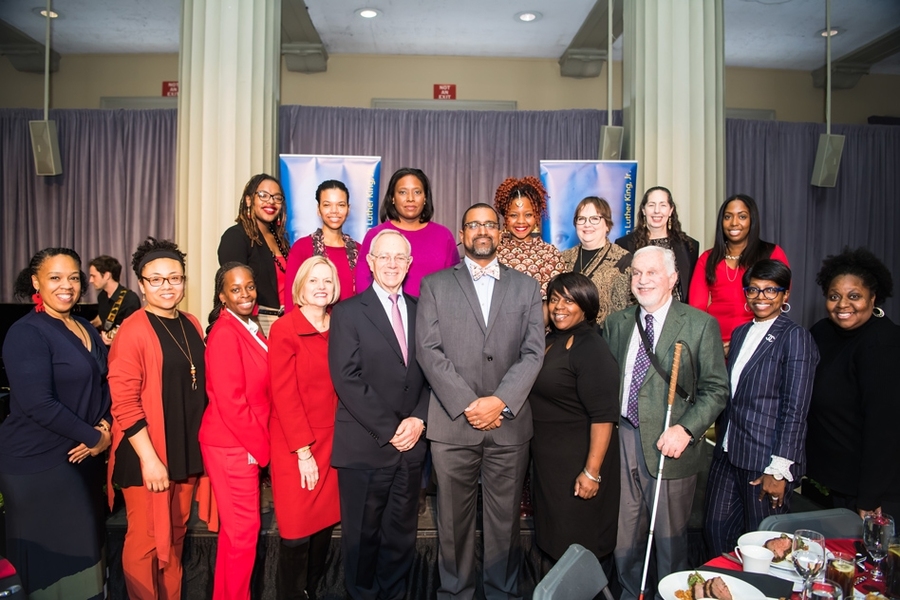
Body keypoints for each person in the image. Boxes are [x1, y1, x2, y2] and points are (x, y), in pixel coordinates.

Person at [416, 203, 545, 600]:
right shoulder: (435, 285)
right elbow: (428, 350)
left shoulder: (526, 286)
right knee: (452, 524)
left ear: (500, 233)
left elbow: (533, 352)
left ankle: (502, 593)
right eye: (474, 225)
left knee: (505, 523)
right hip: (453, 424)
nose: (483, 231)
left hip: (509, 425)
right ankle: (455, 593)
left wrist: (500, 401)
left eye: (490, 224)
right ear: (462, 234)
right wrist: (469, 404)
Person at [604, 246, 729, 600]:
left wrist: (687, 429)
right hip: (622, 441)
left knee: (670, 542)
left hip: (670, 446)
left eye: (652, 273)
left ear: (672, 279)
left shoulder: (699, 324)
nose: (642, 280)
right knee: (624, 539)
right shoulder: (616, 323)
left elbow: (716, 389)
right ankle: (632, 593)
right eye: (636, 273)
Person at [107, 237, 216, 600]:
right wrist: (150, 460)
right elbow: (123, 403)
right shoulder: (133, 330)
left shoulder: (191, 322)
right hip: (148, 452)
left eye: (174, 278)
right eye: (156, 279)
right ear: (141, 284)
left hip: (182, 449)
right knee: (147, 540)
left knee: (177, 533)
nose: (167, 286)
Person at [0, 248, 111, 600]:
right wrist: (93, 437)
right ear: (36, 282)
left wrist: (105, 427)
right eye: (55, 278)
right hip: (37, 464)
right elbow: (38, 404)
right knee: (52, 570)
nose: (67, 285)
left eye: (74, 277)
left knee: (86, 559)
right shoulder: (26, 333)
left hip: (80, 458)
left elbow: (104, 385)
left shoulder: (85, 327)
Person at [329, 230, 430, 600]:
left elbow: (434, 373)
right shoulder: (348, 312)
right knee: (362, 537)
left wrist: (419, 419)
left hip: (412, 445)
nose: (391, 263)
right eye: (383, 256)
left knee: (401, 537)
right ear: (370, 262)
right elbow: (346, 378)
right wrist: (391, 429)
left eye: (399, 257)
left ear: (409, 264)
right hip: (366, 446)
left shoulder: (423, 310)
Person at [703, 259, 819, 557]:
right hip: (728, 452)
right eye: (753, 289)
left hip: (764, 460)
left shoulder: (795, 337)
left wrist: (779, 470)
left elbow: (796, 409)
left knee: (763, 546)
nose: (760, 297)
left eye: (770, 290)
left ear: (785, 294)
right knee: (715, 533)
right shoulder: (741, 333)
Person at [529, 272, 620, 578]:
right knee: (554, 543)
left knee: (577, 548)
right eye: (554, 299)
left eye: (569, 300)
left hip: (578, 467)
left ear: (586, 305)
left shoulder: (591, 348)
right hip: (550, 467)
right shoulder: (550, 339)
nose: (559, 307)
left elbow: (604, 417)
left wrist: (591, 472)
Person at [806, 247, 900, 519]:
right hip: (824, 481)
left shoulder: (884, 343)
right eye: (834, 296)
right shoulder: (822, 332)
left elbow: (885, 429)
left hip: (867, 492)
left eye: (854, 296)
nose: (843, 304)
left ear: (873, 297)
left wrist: (869, 497)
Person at [268, 256, 342, 599]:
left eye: (327, 280)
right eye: (313, 280)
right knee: (296, 532)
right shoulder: (285, 329)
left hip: (334, 442)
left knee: (324, 525)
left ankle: (310, 591)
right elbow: (283, 394)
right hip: (295, 443)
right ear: (300, 286)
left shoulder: (341, 325)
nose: (321, 287)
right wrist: (303, 451)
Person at [200, 263, 271, 600]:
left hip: (240, 442)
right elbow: (231, 403)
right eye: (236, 289)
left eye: (250, 286)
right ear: (222, 296)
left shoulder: (248, 325)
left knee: (235, 535)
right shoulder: (226, 332)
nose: (245, 294)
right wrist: (263, 450)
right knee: (243, 534)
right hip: (232, 445)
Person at [688, 193, 789, 353]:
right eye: (728, 217)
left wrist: (744, 343)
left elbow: (778, 300)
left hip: (759, 342)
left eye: (742, 216)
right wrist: (710, 344)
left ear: (752, 220)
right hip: (714, 343)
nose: (734, 223)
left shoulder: (772, 253)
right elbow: (697, 308)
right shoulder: (708, 258)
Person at [356, 167, 459, 297]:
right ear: (392, 198)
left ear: (425, 198)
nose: (410, 198)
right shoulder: (376, 235)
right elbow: (363, 285)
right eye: (403, 192)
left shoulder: (443, 236)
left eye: (417, 192)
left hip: (435, 309)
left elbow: (455, 284)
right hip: (386, 309)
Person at [218, 173, 291, 335]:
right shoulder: (236, 236)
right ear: (249, 200)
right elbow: (234, 288)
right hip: (257, 321)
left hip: (286, 321)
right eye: (263, 195)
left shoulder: (281, 240)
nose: (271, 201)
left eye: (277, 197)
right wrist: (253, 325)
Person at [284, 179, 360, 310]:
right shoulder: (302, 248)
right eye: (327, 205)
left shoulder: (359, 250)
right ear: (318, 209)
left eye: (341, 205)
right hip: (312, 322)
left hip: (351, 322)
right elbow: (291, 299)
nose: (334, 211)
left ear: (348, 209)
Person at [615, 186, 699, 303]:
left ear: (671, 210)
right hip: (637, 311)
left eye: (663, 205)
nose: (657, 211)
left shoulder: (689, 246)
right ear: (643, 210)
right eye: (651, 205)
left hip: (678, 312)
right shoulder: (623, 244)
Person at [562, 196, 634, 329]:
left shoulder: (624, 260)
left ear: (607, 225)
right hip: (566, 335)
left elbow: (631, 310)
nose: (587, 224)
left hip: (606, 337)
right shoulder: (563, 258)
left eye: (595, 219)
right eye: (581, 219)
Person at [493, 176, 566, 299]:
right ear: (505, 217)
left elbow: (555, 301)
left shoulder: (549, 254)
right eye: (513, 215)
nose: (521, 221)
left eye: (528, 215)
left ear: (536, 216)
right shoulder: (494, 251)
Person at [88, 254, 141, 344]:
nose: (91, 280)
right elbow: (102, 317)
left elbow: (133, 332)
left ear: (107, 275)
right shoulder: (102, 296)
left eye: (93, 276)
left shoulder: (130, 299)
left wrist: (115, 340)